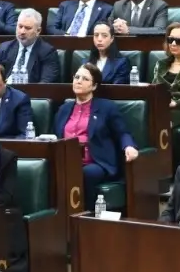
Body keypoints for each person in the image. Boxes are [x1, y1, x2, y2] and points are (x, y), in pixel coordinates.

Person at [54, 62, 139, 192]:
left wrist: (129, 146)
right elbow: (55, 136)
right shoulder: (63, 109)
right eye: (77, 77)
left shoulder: (106, 107)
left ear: (94, 86)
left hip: (96, 162)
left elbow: (122, 132)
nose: (79, 81)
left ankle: (84, 205)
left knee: (84, 172)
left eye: (85, 79)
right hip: (66, 160)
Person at [0, 10, 60, 85]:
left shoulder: (48, 52)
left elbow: (45, 83)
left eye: (28, 28)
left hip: (32, 91)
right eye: (20, 26)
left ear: (38, 31)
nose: (22, 32)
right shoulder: (4, 48)